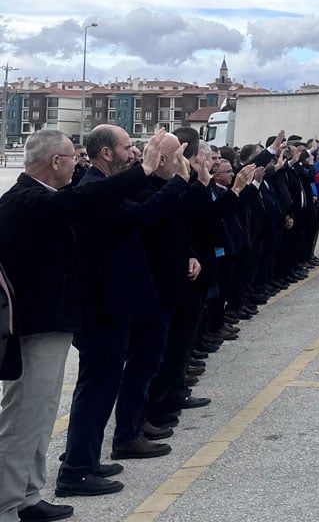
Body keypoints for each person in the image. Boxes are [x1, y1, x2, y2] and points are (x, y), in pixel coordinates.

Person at [0, 129, 176, 522]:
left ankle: (28, 495)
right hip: (33, 327)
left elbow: (81, 204)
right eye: (72, 157)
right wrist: (145, 170)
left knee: (42, 414)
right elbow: (85, 200)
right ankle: (5, 504)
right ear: (56, 162)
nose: (77, 163)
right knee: (23, 417)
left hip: (53, 323)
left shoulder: (46, 199)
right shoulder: (25, 200)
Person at [57, 127, 193, 497]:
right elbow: (143, 215)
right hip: (103, 307)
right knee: (96, 388)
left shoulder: (105, 186)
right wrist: (172, 179)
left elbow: (138, 211)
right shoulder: (94, 187)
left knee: (100, 387)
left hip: (112, 304)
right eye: (127, 147)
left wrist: (170, 178)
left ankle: (82, 459)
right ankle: (76, 471)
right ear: (106, 153)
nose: (133, 153)